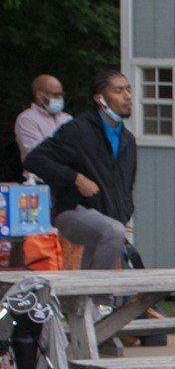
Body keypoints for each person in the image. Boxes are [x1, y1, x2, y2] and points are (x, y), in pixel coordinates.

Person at [24, 70, 135, 271]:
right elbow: (34, 160)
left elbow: (127, 186)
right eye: (119, 91)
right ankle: (100, 291)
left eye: (128, 89)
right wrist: (75, 178)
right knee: (113, 232)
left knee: (110, 237)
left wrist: (125, 211)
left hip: (108, 219)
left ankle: (88, 292)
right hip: (73, 212)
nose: (127, 96)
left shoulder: (128, 140)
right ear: (100, 99)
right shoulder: (78, 130)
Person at [14, 74, 72, 162]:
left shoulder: (67, 118)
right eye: (55, 95)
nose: (60, 98)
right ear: (40, 96)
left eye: (61, 94)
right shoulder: (27, 119)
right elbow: (38, 154)